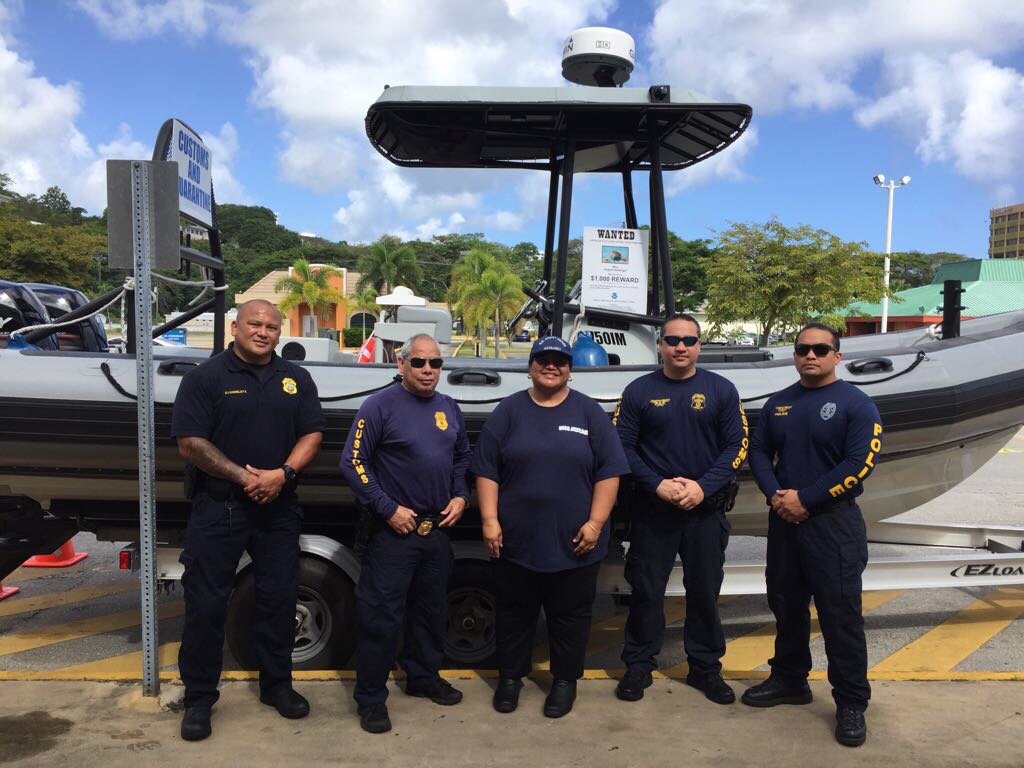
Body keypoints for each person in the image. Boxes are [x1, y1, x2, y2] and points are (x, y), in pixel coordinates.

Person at [171, 299, 325, 742]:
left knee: (278, 600)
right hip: (218, 507)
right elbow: (190, 443)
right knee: (206, 605)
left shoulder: (296, 378)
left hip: (277, 507)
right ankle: (199, 698)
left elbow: (312, 433)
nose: (263, 332)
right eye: (254, 324)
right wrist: (244, 477)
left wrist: (283, 474)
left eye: (272, 327)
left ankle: (277, 686)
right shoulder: (206, 378)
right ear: (235, 327)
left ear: (281, 333)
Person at [472, 336, 629, 718]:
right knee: (514, 613)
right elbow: (486, 470)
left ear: (570, 369)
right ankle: (510, 678)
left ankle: (564, 682)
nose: (551, 366)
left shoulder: (589, 412)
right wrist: (490, 521)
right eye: (543, 359)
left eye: (559, 361)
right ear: (530, 366)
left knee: (571, 617)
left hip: (575, 542)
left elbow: (610, 473)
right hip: (516, 541)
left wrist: (595, 524)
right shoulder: (508, 411)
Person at [746, 322, 884, 748]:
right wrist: (776, 496)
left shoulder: (856, 405)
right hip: (784, 521)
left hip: (833, 524)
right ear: (795, 354)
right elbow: (757, 452)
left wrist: (806, 498)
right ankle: (789, 679)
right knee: (786, 606)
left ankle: (851, 702)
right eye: (803, 349)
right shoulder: (779, 403)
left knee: (840, 616)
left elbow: (860, 463)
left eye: (821, 349)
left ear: (836, 356)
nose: (811, 355)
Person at [339, 333, 471, 734]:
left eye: (435, 364)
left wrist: (462, 496)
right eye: (419, 363)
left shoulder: (449, 407)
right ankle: (371, 698)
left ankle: (423, 677)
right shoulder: (379, 406)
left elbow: (462, 457)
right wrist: (387, 507)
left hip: (436, 532)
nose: (428, 370)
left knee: (430, 614)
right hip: (393, 531)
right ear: (401, 364)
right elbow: (353, 462)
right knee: (380, 619)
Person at [613, 313, 747, 705]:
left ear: (699, 345)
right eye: (673, 340)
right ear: (660, 344)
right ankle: (638, 665)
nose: (681, 347)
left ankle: (705, 668)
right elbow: (621, 446)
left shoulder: (722, 390)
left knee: (704, 591)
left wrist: (702, 488)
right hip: (654, 511)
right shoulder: (637, 391)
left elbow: (737, 446)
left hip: (704, 510)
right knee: (646, 591)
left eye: (689, 340)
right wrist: (656, 484)